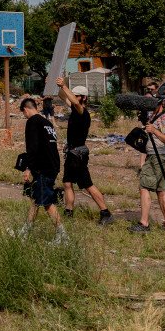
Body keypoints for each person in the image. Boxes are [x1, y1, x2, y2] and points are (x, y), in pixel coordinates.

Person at [55, 79, 112, 225]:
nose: (74, 97)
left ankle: (105, 212)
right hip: (72, 153)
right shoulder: (74, 109)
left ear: (84, 98)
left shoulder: (82, 112)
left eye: (77, 95)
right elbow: (63, 96)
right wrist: (55, 84)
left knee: (87, 184)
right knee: (67, 183)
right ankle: (68, 211)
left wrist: (64, 85)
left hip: (78, 155)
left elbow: (74, 102)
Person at [18, 97, 68, 243]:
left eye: (23, 113)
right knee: (36, 199)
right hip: (53, 165)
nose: (24, 116)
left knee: (46, 202)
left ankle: (62, 235)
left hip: (42, 168)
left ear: (26, 109)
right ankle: (25, 231)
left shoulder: (32, 122)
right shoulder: (47, 122)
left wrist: (28, 167)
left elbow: (32, 147)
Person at [130, 96, 165, 233]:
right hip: (153, 155)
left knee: (144, 186)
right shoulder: (153, 115)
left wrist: (154, 131)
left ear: (161, 103)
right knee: (160, 190)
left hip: (158, 156)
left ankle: (144, 224)